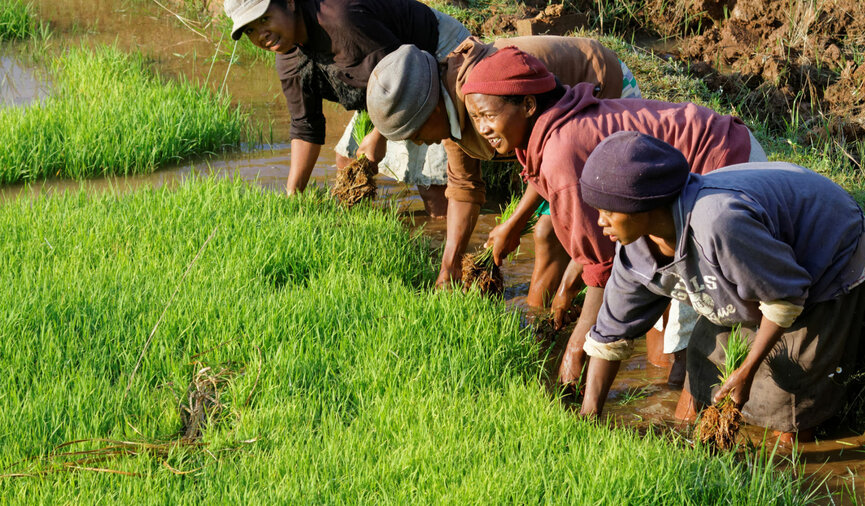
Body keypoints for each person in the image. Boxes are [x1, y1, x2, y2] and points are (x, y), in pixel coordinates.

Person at [459, 47, 767, 389]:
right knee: (662, 309)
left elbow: (604, 268)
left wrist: (579, 344)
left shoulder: (562, 152)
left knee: (693, 332)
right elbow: (563, 199)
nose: (482, 128)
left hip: (724, 166)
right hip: (708, 159)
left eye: (487, 115)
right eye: (475, 118)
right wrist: (528, 240)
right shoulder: (550, 133)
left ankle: (681, 424)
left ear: (529, 106)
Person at [578, 131, 865, 442]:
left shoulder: (719, 223)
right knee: (701, 365)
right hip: (758, 267)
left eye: (609, 211)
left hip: (827, 257)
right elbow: (611, 334)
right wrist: (588, 418)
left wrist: (748, 370)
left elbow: (786, 296)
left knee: (788, 389)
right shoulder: (633, 252)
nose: (600, 221)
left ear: (644, 206)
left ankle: (786, 471)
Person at [366, 35, 639, 308]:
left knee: (549, 231)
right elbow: (464, 187)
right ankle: (545, 315)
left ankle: (544, 319)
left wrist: (515, 223)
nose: (417, 142)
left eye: (415, 132)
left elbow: (553, 158)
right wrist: (449, 268)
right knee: (549, 231)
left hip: (601, 91)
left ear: (433, 109)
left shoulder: (486, 93)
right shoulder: (455, 108)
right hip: (549, 141)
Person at [223, 0, 469, 217]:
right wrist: (293, 197)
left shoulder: (341, 21)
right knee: (346, 160)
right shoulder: (289, 57)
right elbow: (305, 126)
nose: (261, 35)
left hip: (435, 55)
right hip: (385, 74)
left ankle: (443, 245)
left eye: (265, 19)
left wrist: (379, 136)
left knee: (434, 190)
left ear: (289, 3)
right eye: (250, 30)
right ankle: (363, 228)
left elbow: (402, 78)